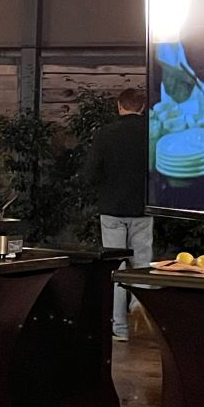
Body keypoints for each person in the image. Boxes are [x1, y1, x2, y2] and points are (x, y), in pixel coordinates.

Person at [84, 87, 153, 341]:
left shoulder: (105, 135)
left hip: (112, 210)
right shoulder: (151, 134)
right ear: (143, 107)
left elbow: (90, 175)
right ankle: (142, 318)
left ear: (119, 106)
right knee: (143, 267)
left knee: (116, 268)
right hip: (143, 209)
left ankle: (120, 329)